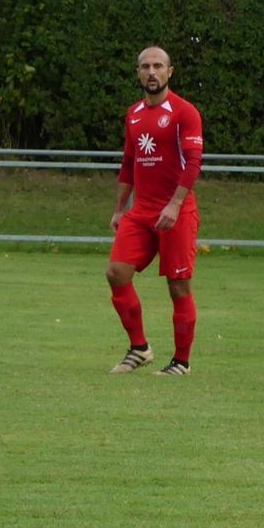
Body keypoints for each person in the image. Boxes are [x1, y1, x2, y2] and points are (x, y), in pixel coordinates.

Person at [106, 45, 204, 377]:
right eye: (145, 66)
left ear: (169, 71)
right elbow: (128, 162)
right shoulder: (133, 113)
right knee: (116, 273)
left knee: (178, 286)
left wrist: (175, 205)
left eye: (158, 66)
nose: (152, 72)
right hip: (141, 212)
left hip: (177, 212)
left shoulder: (184, 112)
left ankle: (181, 362)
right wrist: (119, 209)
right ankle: (140, 348)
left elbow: (193, 163)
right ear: (138, 73)